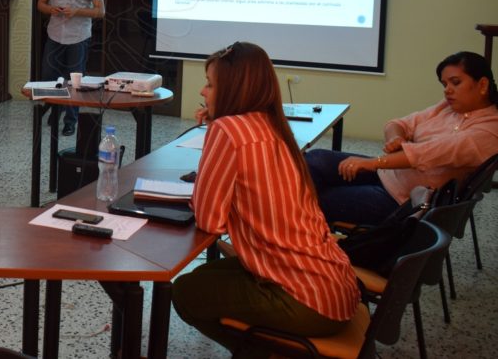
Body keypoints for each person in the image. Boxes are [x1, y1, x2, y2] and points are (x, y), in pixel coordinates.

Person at [173, 42, 359, 357]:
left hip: (306, 302)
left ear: (233, 89)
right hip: (336, 287)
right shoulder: (274, 125)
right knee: (204, 276)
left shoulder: (228, 130)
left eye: (210, 84)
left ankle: (265, 354)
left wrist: (214, 139)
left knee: (184, 291)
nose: (203, 92)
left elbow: (209, 221)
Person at [306, 51, 498, 226]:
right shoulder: (448, 107)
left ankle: (301, 235)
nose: (447, 90)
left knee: (317, 198)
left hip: (402, 201)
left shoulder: (488, 131)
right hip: (388, 174)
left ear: (482, 85)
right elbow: (398, 124)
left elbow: (426, 153)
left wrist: (372, 162)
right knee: (315, 159)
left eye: (455, 83)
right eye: (444, 84)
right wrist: (395, 139)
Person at [36, 0, 104, 136]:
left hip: (78, 36)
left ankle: (70, 121)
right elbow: (40, 4)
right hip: (54, 34)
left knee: (75, 82)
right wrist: (51, 9)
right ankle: (53, 111)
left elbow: (100, 11)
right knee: (49, 77)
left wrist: (76, 11)